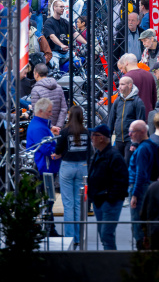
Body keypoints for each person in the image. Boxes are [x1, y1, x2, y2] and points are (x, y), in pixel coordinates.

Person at [52, 106, 90, 248]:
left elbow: (58, 150)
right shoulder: (86, 132)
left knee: (68, 204)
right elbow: (89, 152)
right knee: (79, 203)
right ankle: (79, 236)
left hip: (67, 166)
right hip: (82, 167)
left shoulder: (65, 132)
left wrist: (58, 154)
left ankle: (70, 237)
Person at [88, 124, 129, 250]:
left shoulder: (114, 156)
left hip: (109, 202)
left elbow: (122, 181)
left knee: (106, 234)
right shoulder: (98, 154)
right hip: (99, 201)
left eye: (94, 135)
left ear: (102, 138)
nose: (91, 138)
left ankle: (111, 263)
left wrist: (110, 198)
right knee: (103, 234)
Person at [27, 98, 61, 235]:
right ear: (41, 111)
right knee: (47, 200)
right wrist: (58, 149)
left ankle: (47, 229)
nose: (51, 114)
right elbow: (47, 148)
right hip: (44, 169)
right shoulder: (39, 128)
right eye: (49, 111)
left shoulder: (40, 125)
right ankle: (49, 230)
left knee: (47, 200)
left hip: (45, 167)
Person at [128, 120, 159, 249]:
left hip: (140, 189)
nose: (130, 135)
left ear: (142, 132)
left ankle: (141, 250)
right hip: (145, 188)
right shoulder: (150, 145)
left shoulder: (143, 149)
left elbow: (140, 174)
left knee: (138, 225)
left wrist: (135, 195)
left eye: (132, 132)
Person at [107, 76, 146, 164]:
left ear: (130, 85)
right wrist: (108, 137)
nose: (119, 87)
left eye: (122, 84)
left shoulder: (137, 102)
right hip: (118, 140)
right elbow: (111, 120)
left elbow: (141, 122)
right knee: (118, 165)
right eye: (119, 84)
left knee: (128, 164)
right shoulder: (118, 101)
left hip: (131, 140)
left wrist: (136, 142)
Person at [43, 0, 86, 69]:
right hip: (54, 52)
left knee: (79, 64)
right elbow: (52, 36)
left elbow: (75, 34)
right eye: (61, 7)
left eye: (63, 7)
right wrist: (61, 45)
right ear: (54, 7)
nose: (63, 9)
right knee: (55, 69)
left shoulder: (65, 22)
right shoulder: (48, 22)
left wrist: (86, 43)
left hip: (66, 52)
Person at [29, 62, 67, 129]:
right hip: (58, 129)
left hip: (43, 128)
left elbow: (37, 113)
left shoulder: (36, 90)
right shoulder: (58, 87)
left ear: (36, 74)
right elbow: (64, 108)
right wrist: (58, 126)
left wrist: (51, 127)